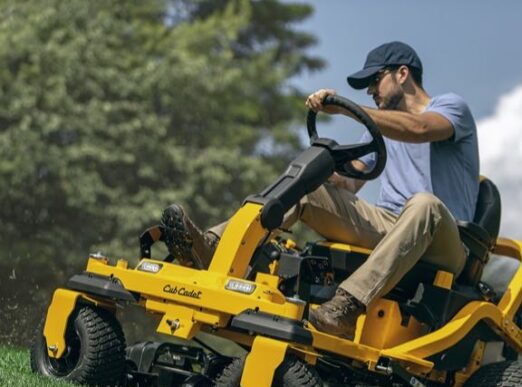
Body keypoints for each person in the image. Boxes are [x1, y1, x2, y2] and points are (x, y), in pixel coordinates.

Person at [161, 41, 480, 339]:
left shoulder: (451, 107)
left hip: (445, 240)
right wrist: (322, 168)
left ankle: (348, 304)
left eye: (375, 80)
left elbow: (421, 129)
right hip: (391, 226)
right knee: (305, 187)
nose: (370, 90)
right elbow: (352, 181)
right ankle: (213, 247)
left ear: (402, 74)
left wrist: (345, 107)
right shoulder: (384, 130)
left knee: (424, 203)